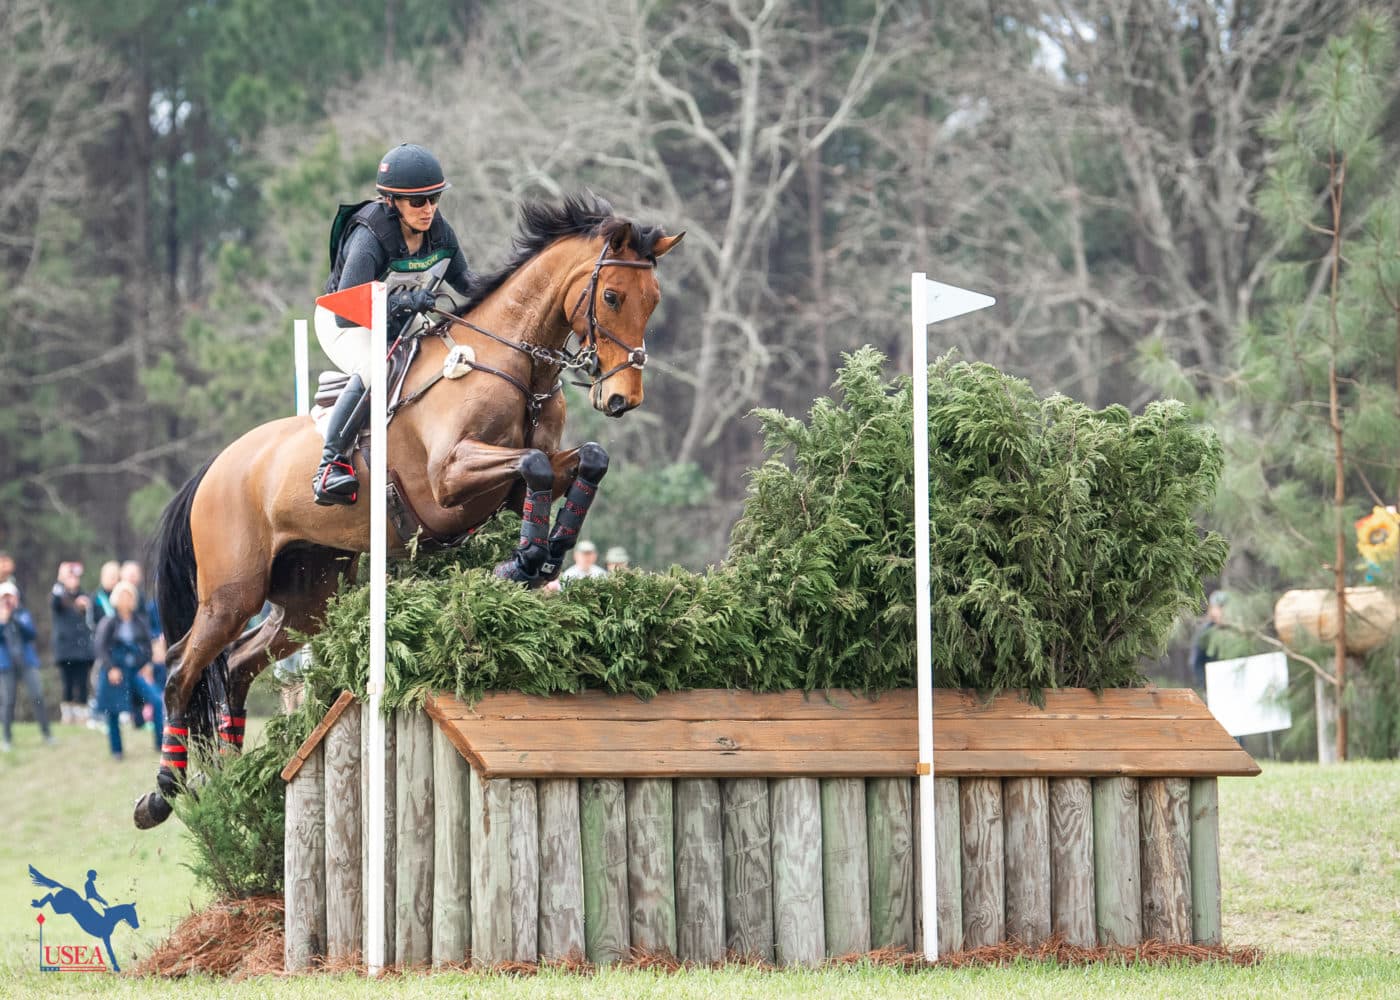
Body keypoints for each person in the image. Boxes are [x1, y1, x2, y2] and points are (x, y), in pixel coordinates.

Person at [311, 142, 475, 506]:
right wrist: (404, 301)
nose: (428, 209)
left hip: (397, 323)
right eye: (417, 202)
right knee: (377, 369)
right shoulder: (370, 236)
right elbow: (347, 310)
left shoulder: (440, 232)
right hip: (346, 322)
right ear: (391, 202)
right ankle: (329, 465)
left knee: (447, 357)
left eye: (434, 198)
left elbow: (469, 284)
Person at [92, 581, 163, 760]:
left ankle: (160, 743)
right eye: (123, 595)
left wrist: (145, 664)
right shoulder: (109, 622)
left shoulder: (140, 621)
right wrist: (111, 668)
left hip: (135, 671)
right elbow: (100, 647)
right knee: (113, 711)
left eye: (130, 596)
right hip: (115, 670)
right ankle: (117, 750)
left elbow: (147, 647)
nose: (126, 599)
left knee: (156, 700)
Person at [0, 580, 54, 750]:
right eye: (4, 598)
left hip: (26, 662)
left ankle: (47, 734)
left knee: (37, 696)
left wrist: (14, 618)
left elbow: (31, 633)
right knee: (8, 701)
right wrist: (3, 621)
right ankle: (7, 738)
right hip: (6, 664)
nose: (8, 601)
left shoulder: (22, 614)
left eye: (10, 597)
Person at [50, 562, 94, 725]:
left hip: (82, 649)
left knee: (82, 683)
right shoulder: (59, 595)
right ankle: (67, 715)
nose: (73, 580)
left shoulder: (84, 596)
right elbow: (55, 603)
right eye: (70, 577)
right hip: (66, 648)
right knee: (67, 683)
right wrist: (60, 580)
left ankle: (82, 714)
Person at [1190, 590, 1228, 689]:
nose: (1222, 611)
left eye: (1224, 607)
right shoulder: (1205, 633)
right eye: (1219, 607)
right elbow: (1196, 662)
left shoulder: (1237, 630)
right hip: (1214, 686)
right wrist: (1206, 687)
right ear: (1211, 609)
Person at [89, 560, 121, 627]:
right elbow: (91, 621)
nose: (112, 579)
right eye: (110, 576)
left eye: (115, 576)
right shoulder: (96, 596)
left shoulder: (122, 595)